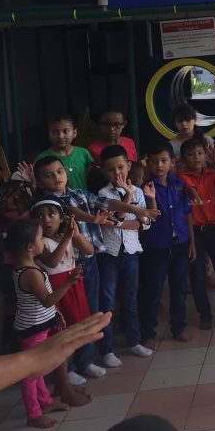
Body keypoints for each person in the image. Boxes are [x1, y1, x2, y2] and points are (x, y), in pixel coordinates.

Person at [33, 155, 146, 381]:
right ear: (39, 182)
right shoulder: (47, 203)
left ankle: (86, 360)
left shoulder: (80, 193)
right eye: (48, 175)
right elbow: (71, 212)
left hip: (90, 260)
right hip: (65, 267)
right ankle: (70, 367)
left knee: (90, 311)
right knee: (68, 317)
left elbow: (106, 204)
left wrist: (134, 210)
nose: (56, 177)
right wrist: (92, 219)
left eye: (59, 172)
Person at [5, 218, 80, 428]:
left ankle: (44, 401)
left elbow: (43, 303)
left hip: (38, 324)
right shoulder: (31, 273)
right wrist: (68, 282)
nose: (43, 243)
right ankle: (33, 413)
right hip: (32, 329)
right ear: (30, 247)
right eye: (40, 239)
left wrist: (55, 315)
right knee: (31, 372)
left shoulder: (28, 266)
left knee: (38, 368)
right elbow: (47, 300)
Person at [96, 145, 157, 363]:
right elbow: (116, 220)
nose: (117, 173)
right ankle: (106, 350)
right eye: (111, 169)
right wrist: (129, 198)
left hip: (131, 252)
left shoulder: (139, 192)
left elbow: (146, 223)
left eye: (121, 167)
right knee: (108, 302)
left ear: (129, 166)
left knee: (130, 299)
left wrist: (133, 218)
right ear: (104, 171)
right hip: (109, 255)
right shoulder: (103, 194)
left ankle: (134, 341)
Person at [32, 195, 97, 389]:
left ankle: (84, 362)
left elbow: (89, 250)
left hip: (73, 284)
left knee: (78, 323)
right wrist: (68, 237)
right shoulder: (40, 242)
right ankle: (67, 370)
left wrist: (75, 235)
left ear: (61, 217)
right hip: (58, 288)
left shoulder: (65, 236)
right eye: (40, 216)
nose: (46, 219)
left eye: (51, 214)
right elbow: (52, 262)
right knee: (62, 330)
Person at [178, 137, 215, 329]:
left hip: (213, 229)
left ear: (206, 155)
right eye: (191, 154)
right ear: (183, 159)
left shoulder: (212, 173)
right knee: (198, 275)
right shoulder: (181, 176)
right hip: (194, 232)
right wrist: (196, 198)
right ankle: (205, 315)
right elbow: (190, 188)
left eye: (200, 153)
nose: (196, 157)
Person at [138, 142, 195, 347]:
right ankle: (148, 333)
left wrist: (192, 242)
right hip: (156, 247)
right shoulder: (145, 188)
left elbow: (187, 214)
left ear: (173, 161)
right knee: (153, 291)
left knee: (179, 289)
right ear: (148, 163)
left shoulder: (179, 185)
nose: (159, 165)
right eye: (154, 161)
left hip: (180, 243)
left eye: (163, 160)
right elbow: (146, 218)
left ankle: (178, 327)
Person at [37, 115, 94, 192]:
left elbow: (88, 175)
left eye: (66, 131)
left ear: (74, 133)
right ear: (49, 134)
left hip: (83, 197)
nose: (60, 136)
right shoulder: (42, 158)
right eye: (55, 132)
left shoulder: (83, 153)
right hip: (56, 198)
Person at [169, 103, 215, 168]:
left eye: (188, 120)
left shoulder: (207, 141)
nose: (184, 124)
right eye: (180, 121)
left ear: (195, 120)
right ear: (175, 123)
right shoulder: (171, 146)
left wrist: (214, 163)